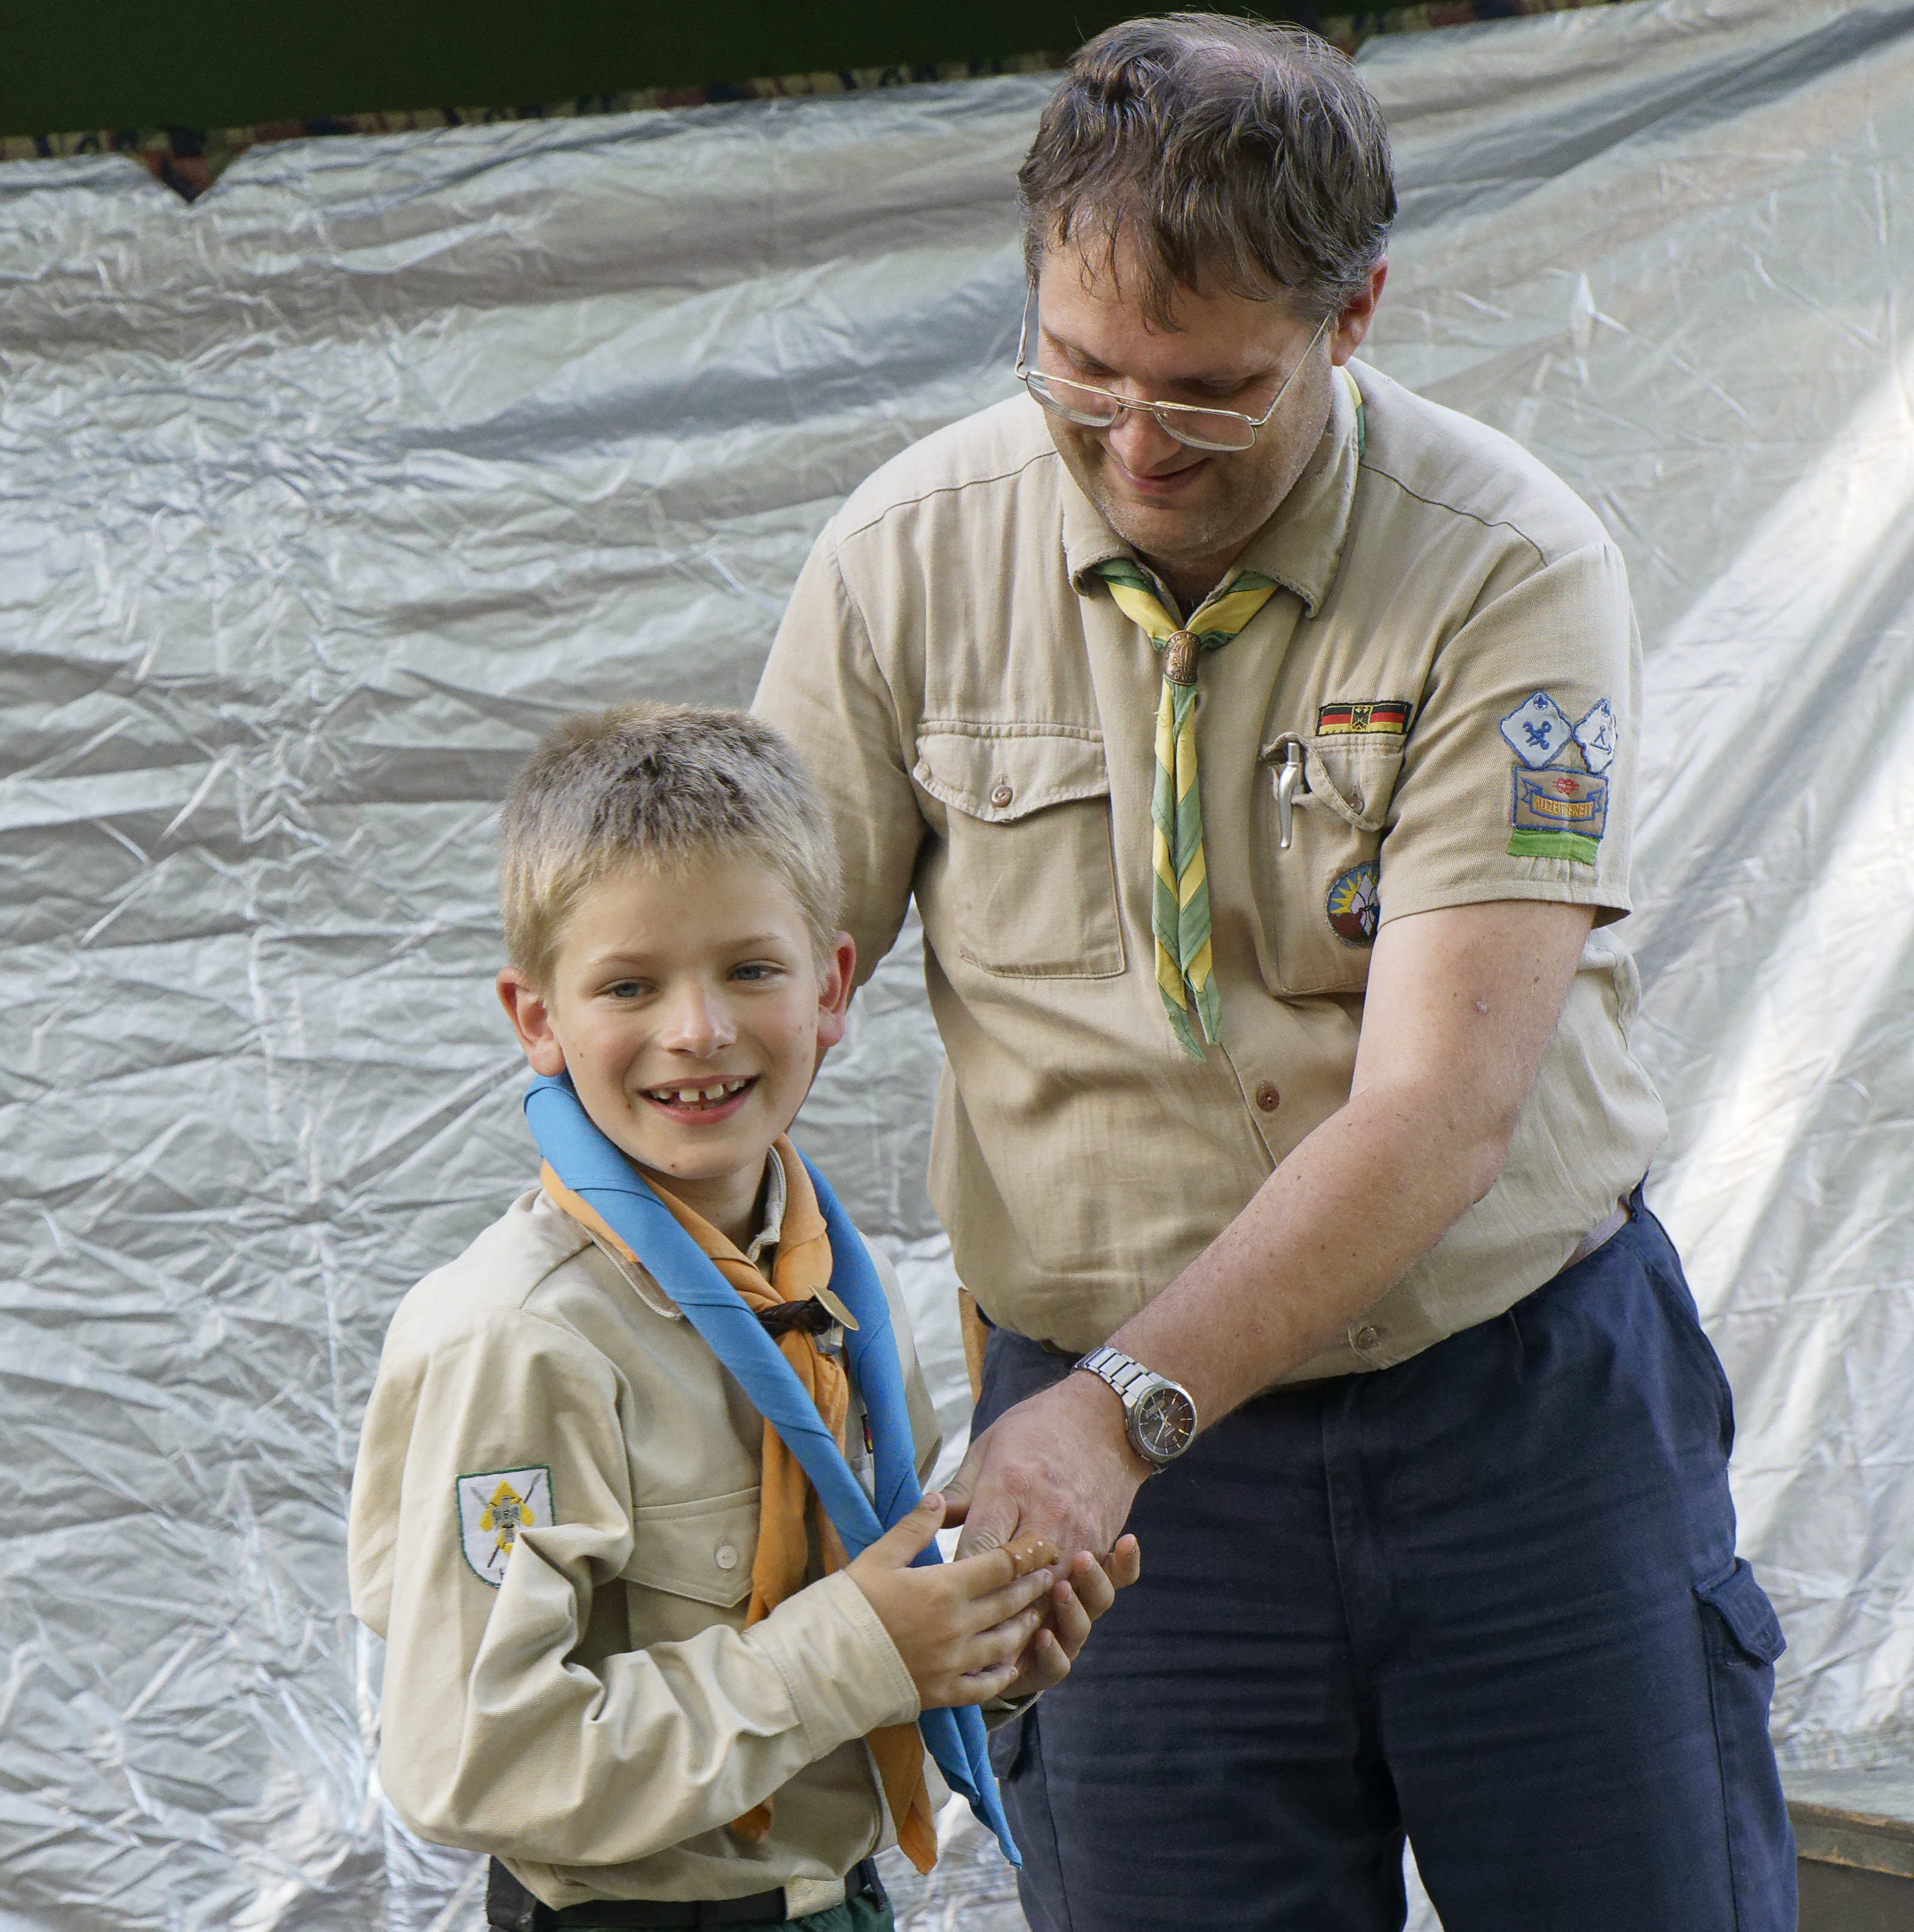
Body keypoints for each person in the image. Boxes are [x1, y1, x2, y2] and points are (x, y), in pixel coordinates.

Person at [752, 16, 1796, 1931]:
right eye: (1080, 375)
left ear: (1356, 311)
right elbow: (748, 989)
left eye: (1213, 393)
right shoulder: (898, 562)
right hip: (1122, 1503)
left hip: (1519, 1421)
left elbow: (1439, 1107)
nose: (1137, 447)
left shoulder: (1504, 569)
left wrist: (1111, 1415)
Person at [346, 702, 1138, 1932]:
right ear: (537, 1018)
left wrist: (977, 1653)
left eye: (748, 969)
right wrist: (860, 1648)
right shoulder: (518, 1337)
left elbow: (843, 1665)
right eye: (628, 983)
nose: (697, 1030)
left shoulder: (827, 1281)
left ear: (829, 986)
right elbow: (469, 1760)